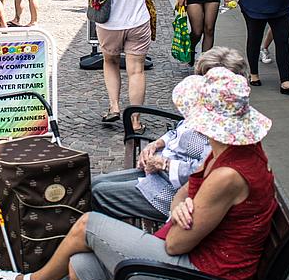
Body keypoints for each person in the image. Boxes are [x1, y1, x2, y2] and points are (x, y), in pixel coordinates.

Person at [0, 61, 277, 280]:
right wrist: (180, 203)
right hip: (195, 269)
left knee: (88, 225)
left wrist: (184, 204)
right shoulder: (231, 149)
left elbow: (176, 244)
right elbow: (187, 190)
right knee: (82, 266)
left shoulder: (228, 173)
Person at [91, 47, 246, 224]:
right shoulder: (205, 108)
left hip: (169, 193)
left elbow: (205, 174)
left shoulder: (223, 130)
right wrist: (155, 145)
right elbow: (177, 130)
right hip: (156, 175)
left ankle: (102, 238)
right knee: (96, 184)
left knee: (98, 193)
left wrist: (164, 163)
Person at [93, 0, 159, 134]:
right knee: (137, 71)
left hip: (110, 22)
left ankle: (114, 106)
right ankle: (136, 121)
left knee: (110, 61)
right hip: (138, 20)